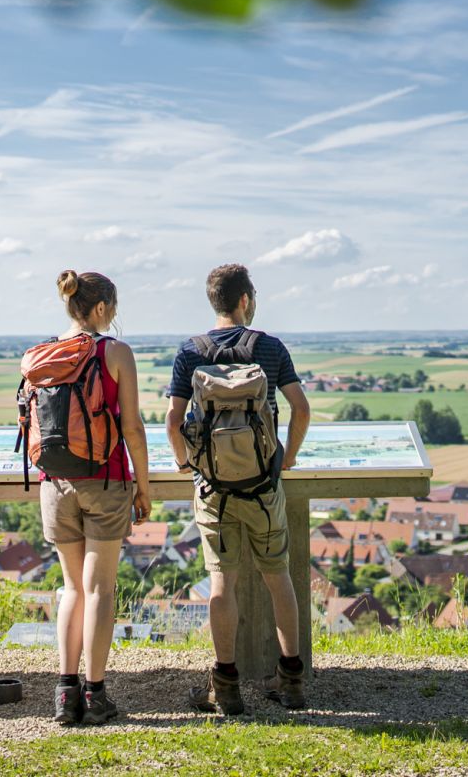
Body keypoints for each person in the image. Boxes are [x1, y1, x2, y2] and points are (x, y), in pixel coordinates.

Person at [165, 263, 312, 714]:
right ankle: (289, 681)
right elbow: (300, 410)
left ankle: (225, 686)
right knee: (278, 577)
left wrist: (186, 462)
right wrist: (285, 458)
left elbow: (172, 422)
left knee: (220, 582)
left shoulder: (191, 353)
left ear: (215, 302)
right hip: (263, 489)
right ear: (245, 300)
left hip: (213, 490)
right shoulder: (269, 348)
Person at [38, 270, 151, 725]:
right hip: (105, 481)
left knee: (71, 588)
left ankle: (66, 694)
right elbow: (133, 429)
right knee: (100, 587)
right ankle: (96, 692)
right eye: (114, 307)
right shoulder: (115, 352)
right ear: (101, 308)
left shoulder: (44, 352)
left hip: (55, 484)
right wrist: (144, 486)